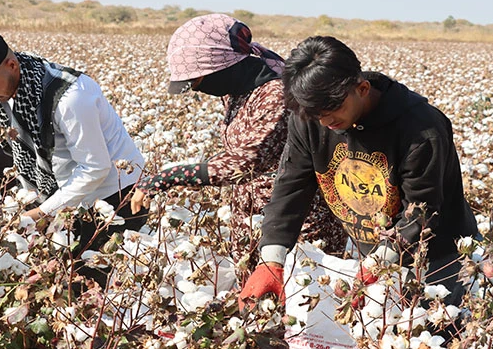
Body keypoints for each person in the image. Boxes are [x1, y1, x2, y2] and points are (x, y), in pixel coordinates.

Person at [239, 36, 479, 310]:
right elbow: (291, 186)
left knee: (433, 332)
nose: (325, 123)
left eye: (332, 111)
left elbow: (421, 209)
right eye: (316, 116)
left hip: (437, 255)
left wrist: (376, 264)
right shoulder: (311, 117)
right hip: (374, 250)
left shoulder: (421, 129)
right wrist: (272, 259)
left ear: (362, 88)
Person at [0, 32, 147, 285]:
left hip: (113, 196)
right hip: (55, 195)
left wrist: (41, 213)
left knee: (92, 289)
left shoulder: (69, 96)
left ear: (11, 66)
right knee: (50, 281)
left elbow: (94, 168)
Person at [131, 14, 345, 263]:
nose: (198, 88)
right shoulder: (237, 90)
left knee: (290, 294)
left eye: (198, 80)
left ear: (223, 67)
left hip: (296, 224)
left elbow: (245, 162)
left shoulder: (276, 96)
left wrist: (167, 177)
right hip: (253, 219)